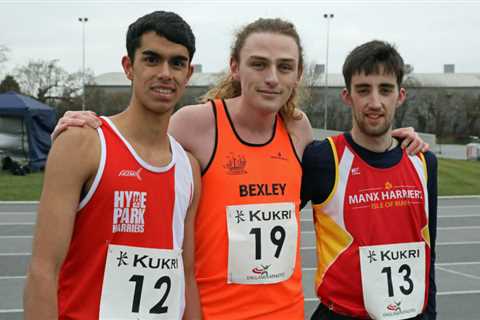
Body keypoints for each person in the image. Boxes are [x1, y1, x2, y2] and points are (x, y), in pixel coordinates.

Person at [51, 19, 428, 319]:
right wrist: (87, 123)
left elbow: (354, 174)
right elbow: (134, 145)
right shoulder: (194, 124)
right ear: (235, 67)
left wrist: (400, 140)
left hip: (284, 312)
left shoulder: (299, 129)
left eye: (285, 67)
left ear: (297, 75)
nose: (271, 78)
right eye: (258, 64)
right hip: (212, 311)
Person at [23, 11, 202, 320]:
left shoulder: (188, 168)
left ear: (188, 74)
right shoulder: (83, 143)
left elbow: (185, 277)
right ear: (128, 67)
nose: (165, 73)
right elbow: (43, 270)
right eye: (151, 59)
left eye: (177, 63)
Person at [301, 40, 437, 320]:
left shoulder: (423, 162)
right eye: (363, 90)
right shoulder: (322, 159)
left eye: (385, 90)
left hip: (411, 314)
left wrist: (430, 314)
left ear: (399, 96)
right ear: (347, 96)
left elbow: (428, 252)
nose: (375, 102)